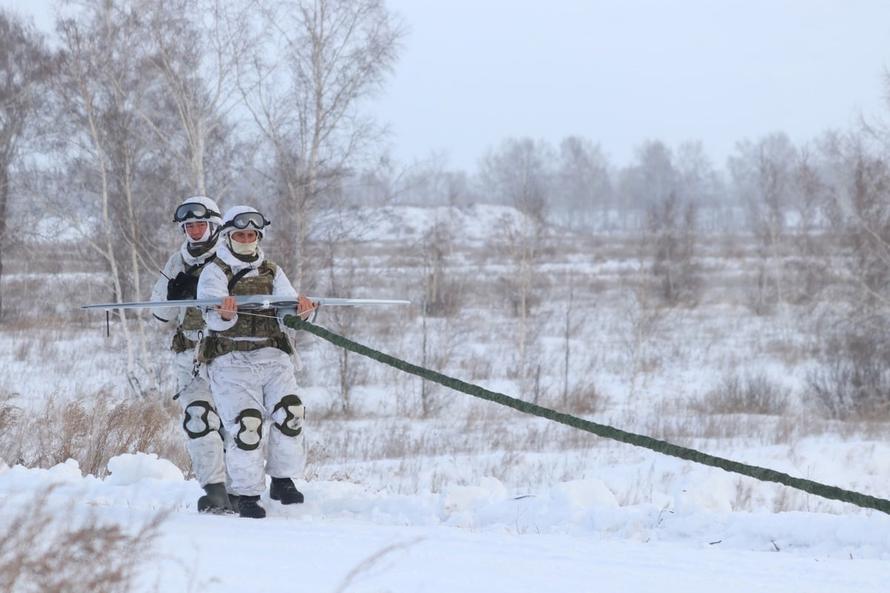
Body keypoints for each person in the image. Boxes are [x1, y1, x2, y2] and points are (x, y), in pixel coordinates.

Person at [196, 205, 317, 519]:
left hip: (272, 357)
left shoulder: (273, 271)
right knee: (247, 426)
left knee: (291, 412)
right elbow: (209, 315)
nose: (247, 239)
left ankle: (282, 479)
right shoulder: (215, 271)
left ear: (258, 236)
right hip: (230, 361)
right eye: (240, 234)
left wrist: (302, 310)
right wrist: (223, 314)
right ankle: (247, 495)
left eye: (252, 234)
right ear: (229, 236)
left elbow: (286, 311)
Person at [150, 196, 232, 513]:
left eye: (200, 224)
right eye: (190, 226)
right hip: (189, 354)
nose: (195, 231)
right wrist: (175, 294)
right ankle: (214, 491)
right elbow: (161, 315)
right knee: (199, 419)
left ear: (213, 226)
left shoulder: (230, 257)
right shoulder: (177, 262)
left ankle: (243, 491)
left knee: (236, 423)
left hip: (229, 353)